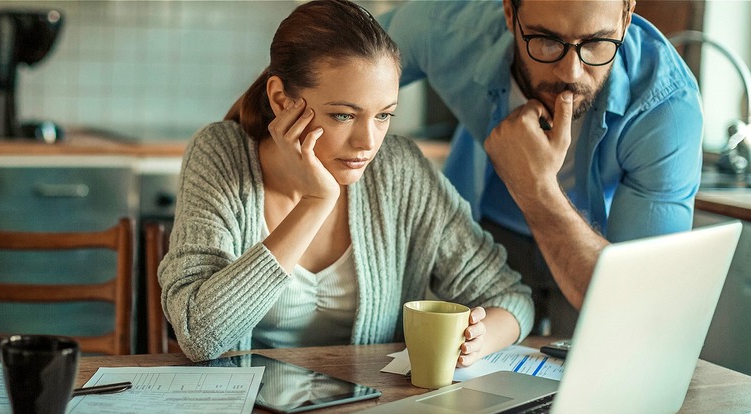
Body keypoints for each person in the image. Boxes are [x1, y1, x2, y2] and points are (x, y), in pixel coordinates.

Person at [158, 0, 534, 363]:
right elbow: (198, 335)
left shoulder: (399, 169)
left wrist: (477, 342)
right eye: (342, 115)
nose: (368, 142)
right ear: (280, 99)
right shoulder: (220, 155)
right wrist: (316, 201)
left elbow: (511, 298)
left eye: (384, 116)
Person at [379, 0, 703, 335]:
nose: (570, 74)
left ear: (626, 18)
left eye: (595, 44)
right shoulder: (444, 29)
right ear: (509, 13)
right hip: (485, 234)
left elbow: (637, 306)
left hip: (592, 243)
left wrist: (535, 187)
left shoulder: (667, 107)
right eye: (546, 41)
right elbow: (338, 60)